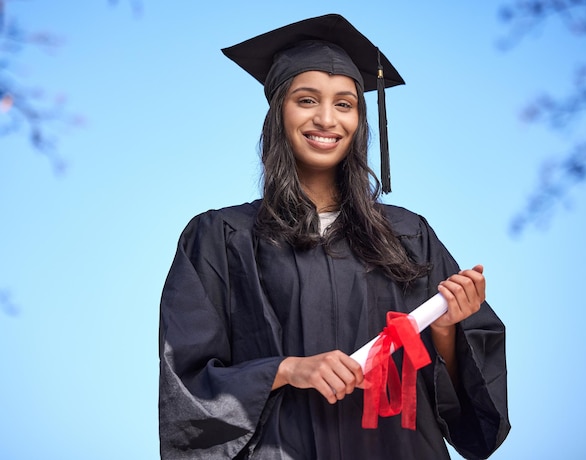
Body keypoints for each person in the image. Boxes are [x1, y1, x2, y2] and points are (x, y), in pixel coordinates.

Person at [159, 14, 510, 460]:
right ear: (278, 112)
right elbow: (186, 382)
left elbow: (470, 416)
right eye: (307, 100)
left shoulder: (407, 236)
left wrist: (444, 331)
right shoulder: (221, 238)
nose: (327, 119)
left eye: (345, 104)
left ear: (360, 120)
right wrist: (288, 370)